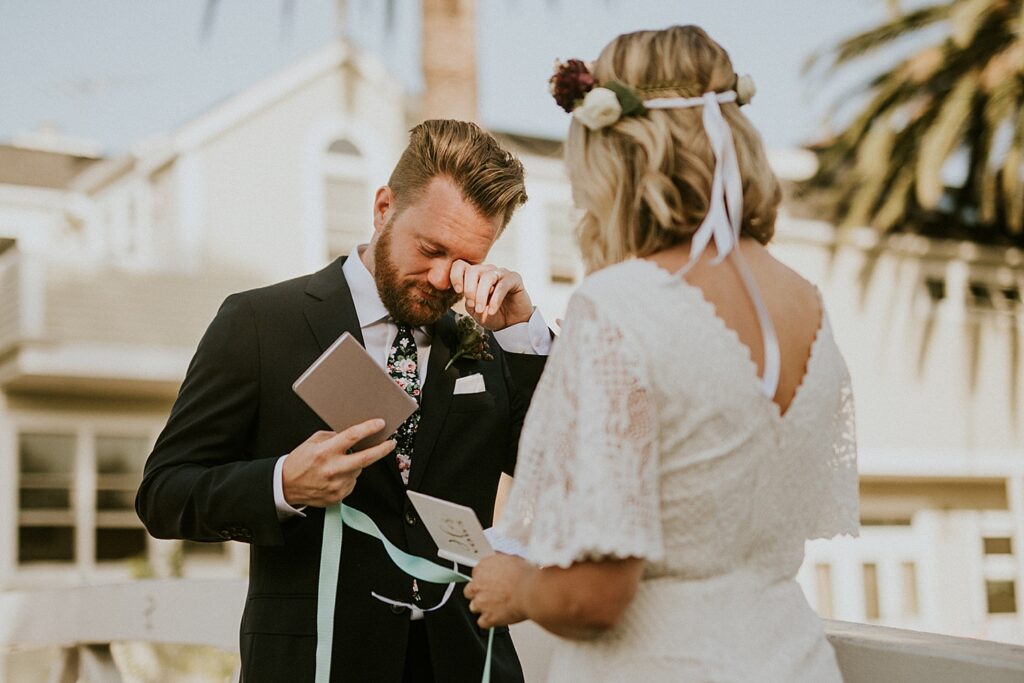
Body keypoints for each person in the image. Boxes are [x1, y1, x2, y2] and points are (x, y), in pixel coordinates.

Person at [464, 25, 859, 682]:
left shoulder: (620, 304)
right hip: (794, 661)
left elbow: (594, 595)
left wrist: (520, 587)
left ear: (609, 150)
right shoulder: (806, 301)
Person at [136, 119, 550, 683]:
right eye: (430, 248)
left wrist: (524, 337)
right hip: (313, 664)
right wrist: (282, 483)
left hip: (464, 663)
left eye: (464, 263)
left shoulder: (490, 343)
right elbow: (164, 494)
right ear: (383, 208)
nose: (441, 277)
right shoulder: (261, 323)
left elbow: (557, 474)